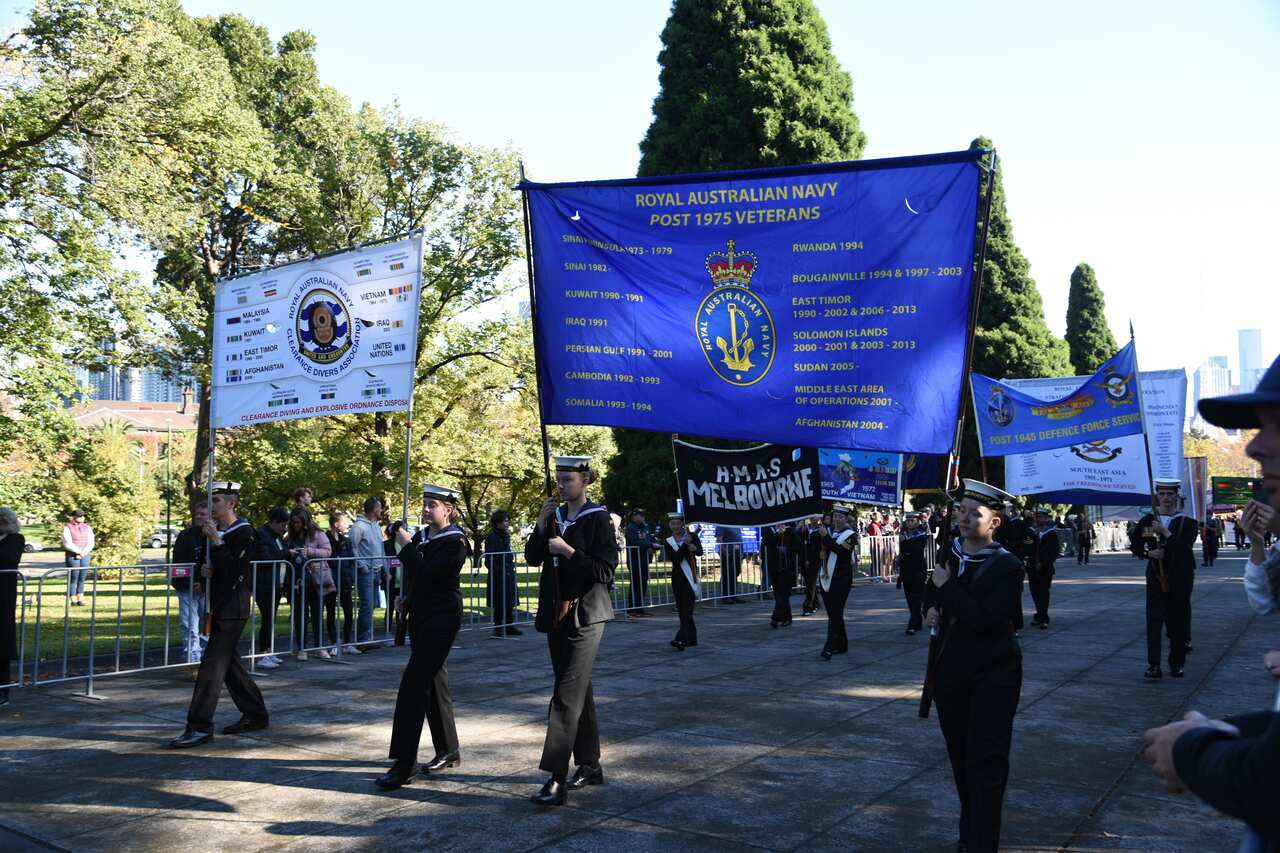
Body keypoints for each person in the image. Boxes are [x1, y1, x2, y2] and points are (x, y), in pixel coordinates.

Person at [1142, 353, 1280, 846]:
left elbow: (1269, 782)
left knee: (1177, 627)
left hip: (1178, 585)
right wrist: (1229, 729)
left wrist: (1191, 750)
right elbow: (1265, 600)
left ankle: (1175, 659)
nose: (1255, 446)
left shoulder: (1183, 522)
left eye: (1276, 425)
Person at [924, 479, 1024, 853]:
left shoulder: (1007, 566)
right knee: (961, 760)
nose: (964, 519)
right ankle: (969, 835)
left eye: (974, 513)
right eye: (961, 511)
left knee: (986, 765)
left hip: (993, 676)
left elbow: (986, 620)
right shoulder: (948, 554)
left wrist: (946, 589)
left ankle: (983, 843)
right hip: (951, 675)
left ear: (994, 522)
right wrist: (930, 610)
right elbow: (932, 598)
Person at [525, 455, 617, 807]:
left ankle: (556, 777)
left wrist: (568, 551)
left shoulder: (598, 519)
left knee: (565, 694)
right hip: (557, 613)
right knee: (578, 690)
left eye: (568, 480)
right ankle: (590, 765)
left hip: (587, 614)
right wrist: (541, 524)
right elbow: (533, 558)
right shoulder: (555, 516)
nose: (561, 486)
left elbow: (605, 571)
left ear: (585, 480)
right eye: (559, 479)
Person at [375, 484, 470, 789]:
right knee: (434, 681)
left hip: (443, 617)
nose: (426, 509)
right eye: (425, 504)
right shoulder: (424, 537)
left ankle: (404, 763)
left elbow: (429, 573)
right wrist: (406, 595)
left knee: (413, 684)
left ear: (448, 509)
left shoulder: (456, 542)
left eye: (433, 505)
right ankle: (448, 749)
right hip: (420, 614)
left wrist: (405, 546)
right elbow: (412, 573)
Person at [169, 482, 268, 748]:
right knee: (230, 666)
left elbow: (237, 568)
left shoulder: (244, 532)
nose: (211, 506)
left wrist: (217, 542)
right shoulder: (213, 531)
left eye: (217, 501)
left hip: (232, 607)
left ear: (231, 504)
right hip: (216, 605)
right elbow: (211, 565)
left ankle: (199, 725)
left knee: (211, 667)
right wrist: (204, 571)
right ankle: (256, 714)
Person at [1131, 479, 1198, 679]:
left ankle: (1176, 663)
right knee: (1153, 619)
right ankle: (1154, 665)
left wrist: (1165, 532)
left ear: (1177, 496)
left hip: (1180, 577)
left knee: (1178, 621)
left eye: (1170, 494)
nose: (1166, 498)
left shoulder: (1187, 522)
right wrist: (1148, 554)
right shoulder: (1148, 521)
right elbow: (1136, 545)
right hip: (1156, 575)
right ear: (1157, 496)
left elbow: (1185, 548)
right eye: (1162, 494)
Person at [284, 508, 333, 660]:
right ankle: (302, 648)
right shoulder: (289, 537)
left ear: (305, 522)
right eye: (293, 522)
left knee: (318, 614)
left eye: (298, 522)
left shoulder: (317, 534)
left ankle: (320, 646)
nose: (296, 525)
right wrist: (289, 553)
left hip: (315, 580)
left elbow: (327, 551)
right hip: (298, 581)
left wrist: (310, 551)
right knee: (300, 616)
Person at [170, 500, 210, 664]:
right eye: (197, 514)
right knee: (189, 623)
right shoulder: (186, 536)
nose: (199, 517)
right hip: (187, 587)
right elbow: (179, 564)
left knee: (206, 623)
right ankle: (192, 656)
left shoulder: (215, 535)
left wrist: (203, 582)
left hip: (208, 588)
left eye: (203, 514)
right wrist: (191, 581)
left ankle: (207, 655)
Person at [251, 507, 289, 669]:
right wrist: (287, 553)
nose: (283, 527)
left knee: (271, 618)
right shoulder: (262, 535)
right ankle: (263, 653)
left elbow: (280, 551)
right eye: (282, 524)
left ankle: (268, 650)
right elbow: (266, 557)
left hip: (275, 582)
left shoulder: (276, 536)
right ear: (273, 522)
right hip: (264, 583)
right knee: (267, 617)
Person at [817, 505, 856, 661]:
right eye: (835, 517)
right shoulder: (830, 532)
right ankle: (842, 643)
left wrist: (826, 537)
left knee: (835, 612)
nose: (837, 520)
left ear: (846, 519)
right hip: (827, 577)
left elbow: (841, 551)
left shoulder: (851, 535)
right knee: (834, 613)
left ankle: (829, 646)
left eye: (841, 517)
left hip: (841, 579)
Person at [349, 497, 386, 650]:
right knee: (367, 605)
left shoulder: (376, 526)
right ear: (374, 509)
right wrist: (361, 565)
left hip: (377, 570)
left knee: (373, 604)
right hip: (366, 571)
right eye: (380, 507)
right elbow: (352, 548)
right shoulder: (358, 527)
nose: (381, 510)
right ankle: (362, 640)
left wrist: (384, 568)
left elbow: (380, 547)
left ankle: (367, 637)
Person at [663, 511, 702, 650]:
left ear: (682, 524)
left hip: (690, 576)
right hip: (678, 577)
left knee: (688, 609)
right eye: (673, 524)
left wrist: (694, 548)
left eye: (678, 523)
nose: (676, 526)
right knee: (682, 609)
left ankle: (680, 639)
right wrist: (685, 545)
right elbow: (675, 559)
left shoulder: (692, 536)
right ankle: (692, 638)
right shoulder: (668, 541)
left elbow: (700, 552)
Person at [326, 511, 359, 655]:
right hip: (330, 580)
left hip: (344, 579)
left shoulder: (346, 541)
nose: (347, 524)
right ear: (336, 524)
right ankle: (333, 642)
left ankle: (347, 642)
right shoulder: (326, 539)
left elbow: (351, 560)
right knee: (331, 611)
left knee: (348, 611)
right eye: (344, 522)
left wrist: (351, 577)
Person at [484, 510, 522, 637]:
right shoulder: (492, 537)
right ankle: (498, 628)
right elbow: (489, 559)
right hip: (498, 575)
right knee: (499, 602)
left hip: (508, 573)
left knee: (509, 601)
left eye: (507, 520)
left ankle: (509, 626)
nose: (507, 523)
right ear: (497, 522)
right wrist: (498, 570)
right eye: (505, 521)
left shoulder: (506, 535)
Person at [0, 506, 23, 706]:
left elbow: (9, 559)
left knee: (2, 641)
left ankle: (3, 691)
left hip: (3, 596)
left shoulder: (16, 539)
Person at [897, 511, 932, 635]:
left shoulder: (922, 534)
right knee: (909, 598)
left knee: (917, 597)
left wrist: (905, 544)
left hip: (918, 569)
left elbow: (916, 550)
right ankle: (917, 621)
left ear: (918, 521)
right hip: (906, 569)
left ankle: (912, 625)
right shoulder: (904, 534)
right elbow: (904, 551)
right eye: (907, 520)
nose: (909, 523)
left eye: (912, 520)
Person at [1027, 508, 1059, 629]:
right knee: (1035, 593)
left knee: (1043, 593)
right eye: (1036, 517)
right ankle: (1038, 615)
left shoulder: (1051, 534)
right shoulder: (1031, 532)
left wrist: (1044, 562)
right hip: (1032, 567)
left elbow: (1055, 552)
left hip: (1045, 569)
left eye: (1041, 517)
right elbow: (1026, 547)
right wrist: (1033, 538)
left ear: (1046, 518)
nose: (1038, 519)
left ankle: (1044, 617)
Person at [624, 508, 657, 615]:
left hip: (644, 559)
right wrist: (650, 545)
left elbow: (650, 538)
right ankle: (632, 609)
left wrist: (654, 545)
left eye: (643, 515)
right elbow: (636, 542)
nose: (643, 517)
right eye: (640, 515)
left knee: (642, 584)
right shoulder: (631, 528)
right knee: (636, 585)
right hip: (635, 560)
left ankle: (639, 608)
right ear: (634, 516)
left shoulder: (644, 527)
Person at [762, 522, 794, 629]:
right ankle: (787, 618)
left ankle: (775, 618)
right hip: (774, 568)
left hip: (787, 568)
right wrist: (777, 534)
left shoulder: (789, 529)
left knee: (784, 595)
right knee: (779, 595)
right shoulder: (768, 529)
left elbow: (798, 546)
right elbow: (766, 542)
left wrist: (787, 550)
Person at [61, 508, 93, 606]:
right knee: (73, 578)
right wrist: (78, 552)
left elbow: (91, 542)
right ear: (74, 517)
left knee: (82, 578)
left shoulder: (87, 527)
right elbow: (67, 543)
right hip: (72, 556)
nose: (82, 517)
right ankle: (73, 599)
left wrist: (84, 552)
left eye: (83, 516)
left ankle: (80, 599)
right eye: (80, 516)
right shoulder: (68, 527)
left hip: (85, 555)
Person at [798, 515, 823, 616]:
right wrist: (800, 529)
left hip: (814, 559)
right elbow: (799, 541)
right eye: (812, 516)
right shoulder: (805, 528)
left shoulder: (821, 529)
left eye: (815, 516)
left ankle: (808, 606)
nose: (813, 518)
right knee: (808, 582)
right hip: (804, 559)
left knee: (811, 582)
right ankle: (815, 602)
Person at [716, 524, 744, 602]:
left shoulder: (735, 525)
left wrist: (741, 553)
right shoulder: (721, 525)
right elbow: (719, 540)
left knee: (734, 575)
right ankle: (725, 597)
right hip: (728, 554)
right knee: (726, 575)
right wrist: (725, 552)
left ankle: (733, 596)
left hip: (737, 554)